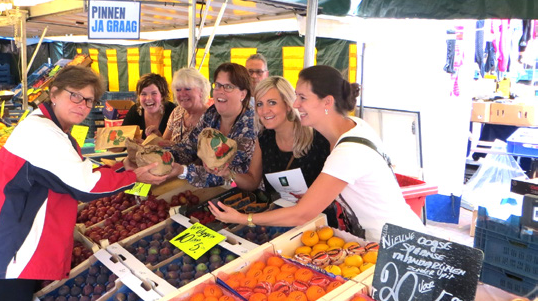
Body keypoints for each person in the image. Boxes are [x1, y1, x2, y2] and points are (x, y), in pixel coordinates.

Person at [0, 65, 167, 301]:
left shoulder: (49, 128)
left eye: (89, 101)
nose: (83, 106)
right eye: (76, 96)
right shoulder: (42, 132)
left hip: (0, 244)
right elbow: (83, 183)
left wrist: (120, 167)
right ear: (54, 93)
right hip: (10, 251)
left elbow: (73, 171)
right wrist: (135, 175)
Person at [208, 65, 424, 242]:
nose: (295, 104)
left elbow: (303, 213)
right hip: (386, 236)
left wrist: (244, 218)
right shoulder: (354, 126)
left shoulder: (347, 151)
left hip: (393, 243)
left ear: (327, 102)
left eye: (302, 97)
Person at [232, 76, 337, 225]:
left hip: (319, 224)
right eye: (260, 104)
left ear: (288, 105)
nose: (264, 110)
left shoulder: (319, 139)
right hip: (280, 221)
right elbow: (252, 181)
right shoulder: (264, 139)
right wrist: (228, 173)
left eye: (272, 103)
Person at [168, 62, 256, 188]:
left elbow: (222, 173)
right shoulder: (212, 113)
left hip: (242, 197)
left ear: (243, 94)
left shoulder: (250, 124)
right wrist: (161, 156)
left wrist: (183, 171)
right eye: (218, 85)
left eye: (228, 87)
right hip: (210, 191)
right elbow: (189, 147)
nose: (220, 91)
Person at [162, 67, 211, 144]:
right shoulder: (177, 112)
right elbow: (163, 142)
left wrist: (174, 147)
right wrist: (155, 137)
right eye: (178, 90)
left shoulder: (211, 117)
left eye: (187, 89)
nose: (182, 94)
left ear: (201, 90)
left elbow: (212, 152)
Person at [122, 73, 176, 138]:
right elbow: (122, 139)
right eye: (143, 94)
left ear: (162, 95)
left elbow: (178, 145)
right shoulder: (134, 111)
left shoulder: (173, 112)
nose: (148, 98)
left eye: (154, 93)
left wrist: (159, 139)